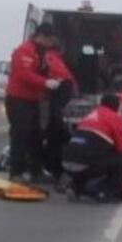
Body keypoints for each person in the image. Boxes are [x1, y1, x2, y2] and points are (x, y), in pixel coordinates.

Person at [5, 24, 61, 182]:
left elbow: (44, 70)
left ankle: (36, 170)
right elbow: (24, 75)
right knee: (20, 135)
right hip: (18, 99)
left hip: (33, 100)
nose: (51, 43)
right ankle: (16, 172)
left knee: (35, 136)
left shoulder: (42, 53)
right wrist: (45, 83)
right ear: (41, 36)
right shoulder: (24, 51)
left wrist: (55, 80)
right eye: (49, 40)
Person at [61, 94, 122, 200]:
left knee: (91, 156)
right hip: (85, 164)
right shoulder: (115, 118)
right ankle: (108, 191)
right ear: (117, 106)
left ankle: (75, 187)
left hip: (67, 161)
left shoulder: (90, 116)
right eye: (121, 107)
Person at [41, 44, 77, 182]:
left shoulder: (49, 59)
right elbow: (68, 81)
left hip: (52, 102)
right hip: (53, 101)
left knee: (52, 136)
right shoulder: (53, 59)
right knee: (55, 136)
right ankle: (53, 169)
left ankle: (51, 168)